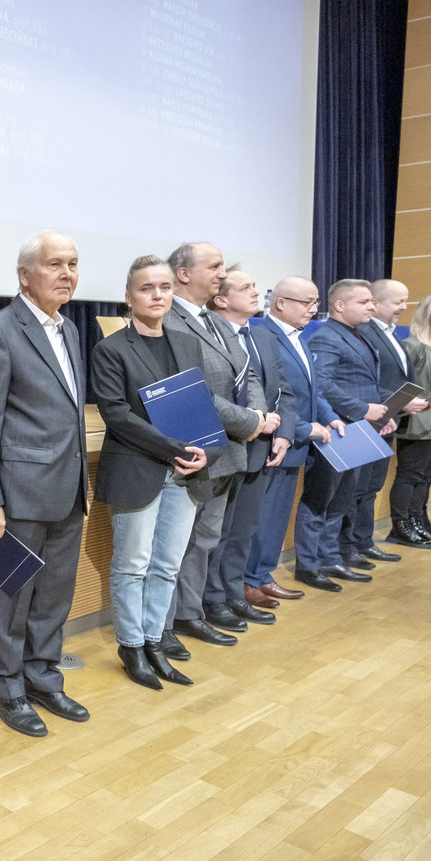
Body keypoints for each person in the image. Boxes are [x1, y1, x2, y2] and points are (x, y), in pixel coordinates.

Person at [0, 232, 92, 737]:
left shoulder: (70, 329)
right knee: (11, 599)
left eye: (73, 264)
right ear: (24, 275)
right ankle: (5, 689)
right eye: (55, 264)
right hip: (18, 494)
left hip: (67, 488)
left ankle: (42, 678)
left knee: (55, 595)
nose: (67, 274)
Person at [92, 256, 210, 690]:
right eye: (146, 288)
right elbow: (117, 415)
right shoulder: (110, 349)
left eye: (164, 287)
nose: (157, 295)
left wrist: (205, 452)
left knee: (167, 565)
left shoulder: (188, 343)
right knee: (133, 565)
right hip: (136, 468)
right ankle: (131, 646)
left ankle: (155, 640)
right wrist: (176, 448)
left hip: (186, 472)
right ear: (128, 297)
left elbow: (200, 406)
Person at [161, 243, 267, 650]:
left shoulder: (215, 321)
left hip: (228, 448)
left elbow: (247, 374)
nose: (223, 273)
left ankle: (190, 614)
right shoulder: (166, 319)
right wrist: (250, 422)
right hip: (192, 449)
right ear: (184, 274)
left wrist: (257, 414)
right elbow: (192, 391)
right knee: (174, 546)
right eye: (215, 266)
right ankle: (162, 626)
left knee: (204, 540)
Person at [202, 269, 297, 626]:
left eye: (256, 286)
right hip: (225, 447)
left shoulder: (262, 336)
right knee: (217, 533)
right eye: (246, 288)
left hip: (263, 446)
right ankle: (211, 599)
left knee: (243, 530)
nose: (257, 293)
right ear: (221, 299)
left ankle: (233, 592)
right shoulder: (208, 334)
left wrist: (284, 432)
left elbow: (283, 389)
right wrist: (252, 421)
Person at [247, 278, 345, 595]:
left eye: (316, 303)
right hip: (275, 440)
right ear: (281, 303)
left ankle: (263, 576)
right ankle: (251, 580)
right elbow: (268, 395)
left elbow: (311, 391)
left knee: (276, 518)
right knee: (262, 518)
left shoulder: (299, 337)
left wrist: (329, 416)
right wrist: (303, 427)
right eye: (307, 302)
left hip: (295, 443)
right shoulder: (262, 336)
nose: (314, 310)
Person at [294, 279, 394, 589]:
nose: (372, 306)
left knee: (342, 499)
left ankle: (330, 558)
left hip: (356, 428)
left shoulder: (358, 335)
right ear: (339, 305)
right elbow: (322, 384)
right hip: (337, 427)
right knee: (320, 498)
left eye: (372, 301)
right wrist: (362, 409)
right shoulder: (326, 338)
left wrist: (381, 412)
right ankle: (308, 564)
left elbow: (363, 383)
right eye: (364, 302)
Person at [349, 278, 418, 563]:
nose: (404, 306)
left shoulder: (391, 333)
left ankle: (363, 542)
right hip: (367, 420)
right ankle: (349, 547)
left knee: (371, 486)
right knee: (356, 489)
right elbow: (365, 381)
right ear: (375, 303)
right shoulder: (363, 333)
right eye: (398, 301)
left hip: (388, 420)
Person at [387, 294, 431, 548]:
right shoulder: (413, 345)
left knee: (425, 474)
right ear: (427, 315)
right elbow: (400, 383)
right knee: (410, 474)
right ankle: (400, 526)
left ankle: (416, 521)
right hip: (419, 419)